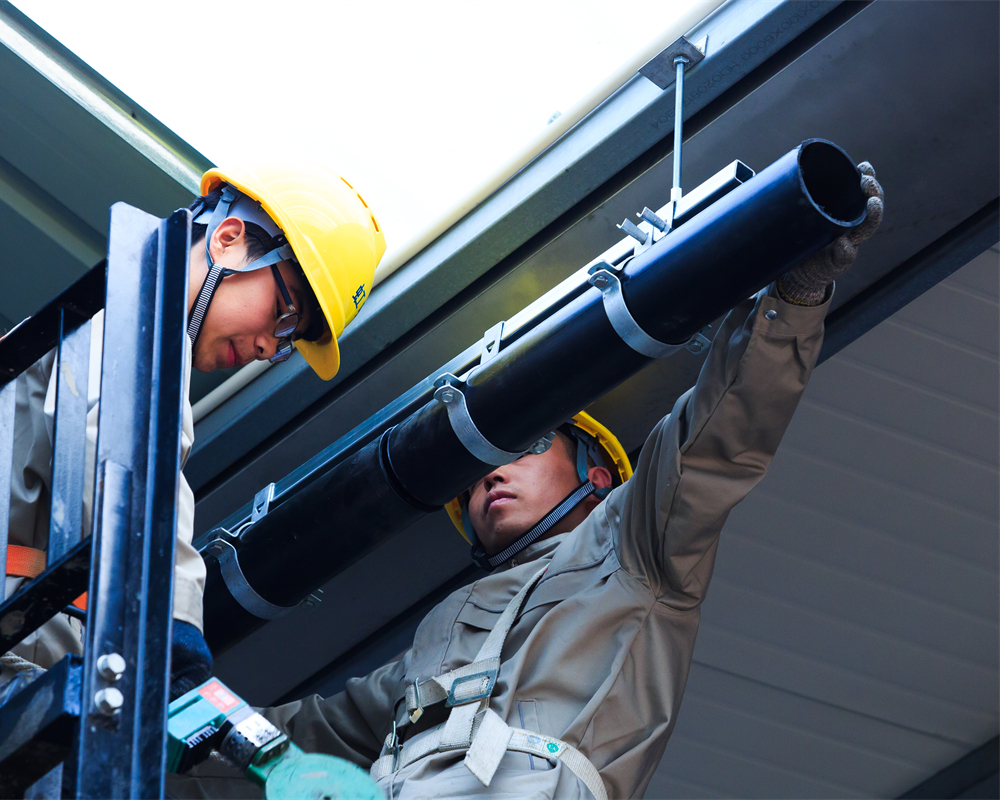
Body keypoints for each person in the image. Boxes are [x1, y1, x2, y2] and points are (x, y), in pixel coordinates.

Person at [167, 163, 884, 799]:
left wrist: (795, 295)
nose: (488, 477)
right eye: (470, 478)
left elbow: (721, 440)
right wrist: (156, 720)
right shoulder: (435, 644)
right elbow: (291, 740)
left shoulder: (637, 552)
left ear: (597, 474)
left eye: (527, 445)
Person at [0, 161, 387, 736]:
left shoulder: (122, 316)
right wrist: (174, 627)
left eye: (290, 340)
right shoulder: (137, 320)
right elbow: (131, 462)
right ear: (229, 240)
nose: (271, 344)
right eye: (284, 312)